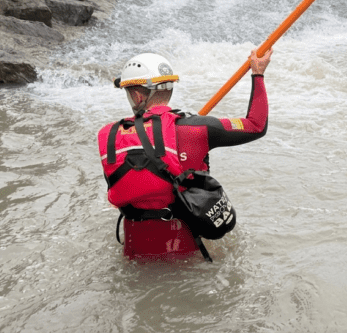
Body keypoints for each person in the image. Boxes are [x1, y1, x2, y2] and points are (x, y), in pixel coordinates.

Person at [97, 48, 272, 261]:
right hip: (189, 248)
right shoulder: (199, 128)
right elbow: (256, 125)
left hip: (136, 252)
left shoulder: (113, 136)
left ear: (137, 95)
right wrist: (258, 73)